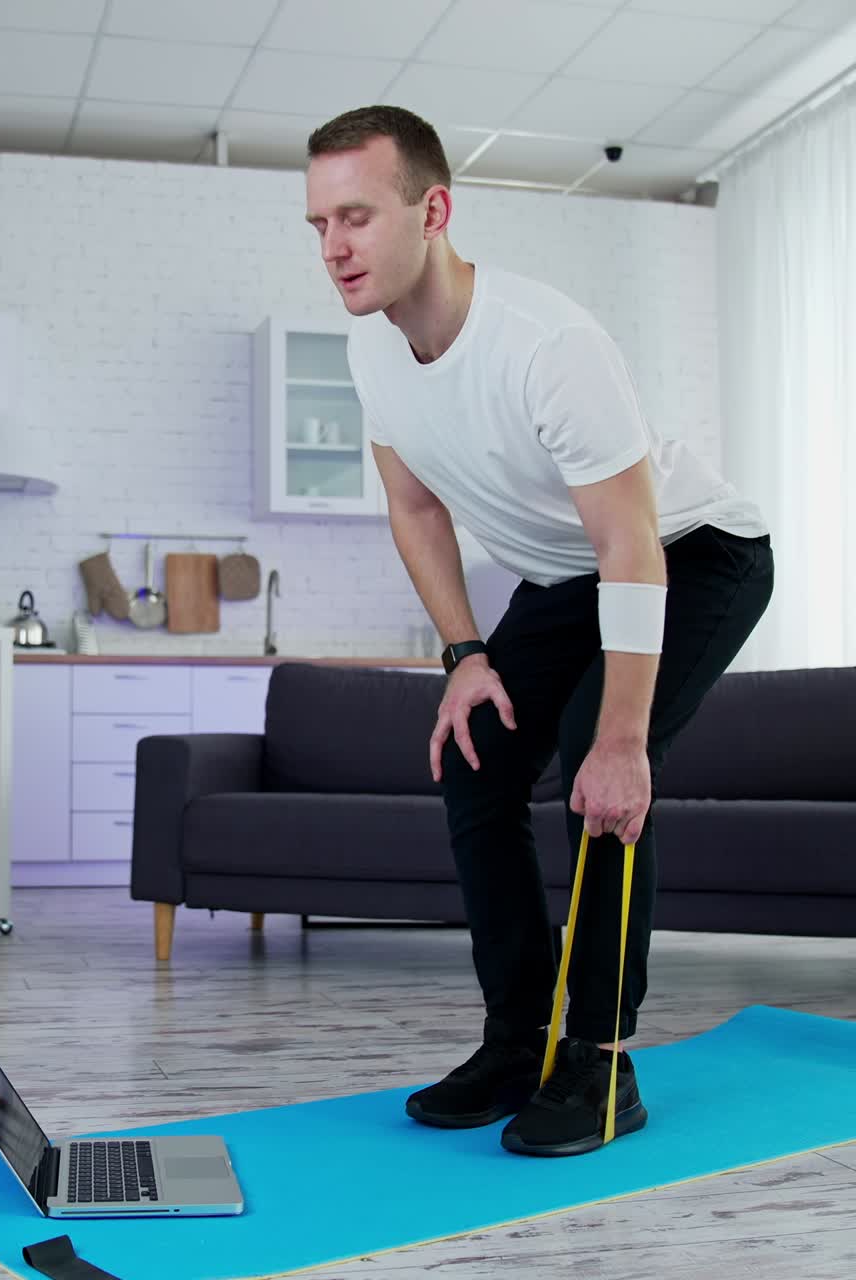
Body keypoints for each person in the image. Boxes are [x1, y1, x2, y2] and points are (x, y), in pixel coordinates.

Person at [304, 105, 773, 1158]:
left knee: (597, 770)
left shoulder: (544, 345)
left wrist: (617, 738)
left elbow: (632, 548)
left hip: (690, 552)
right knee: (474, 759)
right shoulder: (370, 352)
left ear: (432, 209)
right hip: (567, 572)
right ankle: (516, 1041)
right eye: (315, 223)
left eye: (354, 216)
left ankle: (600, 1065)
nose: (331, 247)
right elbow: (414, 507)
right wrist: (465, 655)